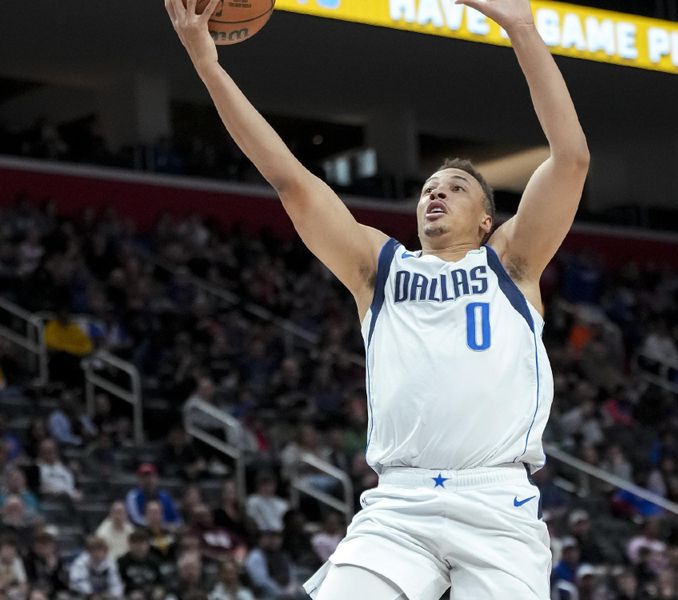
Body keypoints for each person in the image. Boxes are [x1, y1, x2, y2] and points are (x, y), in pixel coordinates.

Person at [164, 0, 589, 597]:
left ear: (487, 220)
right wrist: (209, 67)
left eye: (456, 187)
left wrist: (520, 27)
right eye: (429, 188)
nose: (436, 194)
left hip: (496, 503)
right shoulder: (379, 267)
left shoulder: (511, 264)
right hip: (398, 506)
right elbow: (291, 181)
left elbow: (570, 160)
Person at [125, 463, 181, 528]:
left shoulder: (165, 496)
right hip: (142, 531)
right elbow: (134, 519)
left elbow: (177, 520)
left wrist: (167, 527)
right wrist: (156, 526)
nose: (148, 480)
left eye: (151, 476)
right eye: (144, 477)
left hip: (165, 532)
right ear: (139, 480)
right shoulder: (133, 496)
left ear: (157, 478)